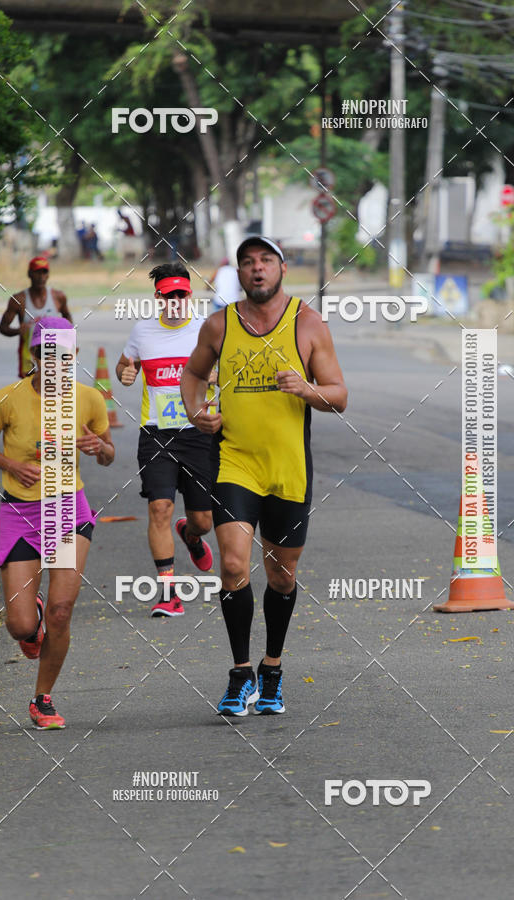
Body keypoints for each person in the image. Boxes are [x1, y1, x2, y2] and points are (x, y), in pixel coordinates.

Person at [181, 236, 347, 716]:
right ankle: (241, 675)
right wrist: (195, 411)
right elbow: (193, 375)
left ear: (282, 268)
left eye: (266, 261)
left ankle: (271, 668)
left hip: (288, 469)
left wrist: (307, 389)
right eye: (249, 262)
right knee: (233, 566)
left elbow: (339, 395)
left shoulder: (308, 324)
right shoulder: (219, 325)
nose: (257, 269)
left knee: (281, 575)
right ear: (238, 272)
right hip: (235, 462)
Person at [0, 317, 115, 729]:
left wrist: (99, 447)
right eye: (46, 354)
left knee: (61, 610)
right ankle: (30, 618)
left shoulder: (89, 398)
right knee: (21, 626)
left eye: (63, 355)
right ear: (33, 355)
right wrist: (11, 465)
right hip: (20, 513)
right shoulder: (9, 398)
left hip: (68, 512)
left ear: (74, 355)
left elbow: (108, 454)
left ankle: (42, 699)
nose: (55, 362)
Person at [115, 263, 215, 618]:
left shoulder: (207, 330)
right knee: (159, 508)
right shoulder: (143, 331)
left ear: (190, 295)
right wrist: (125, 373)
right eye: (168, 295)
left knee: (204, 520)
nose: (175, 301)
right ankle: (168, 593)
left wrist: (217, 375)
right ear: (158, 297)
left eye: (181, 294)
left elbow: (231, 372)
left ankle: (191, 534)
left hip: (199, 433)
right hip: (156, 434)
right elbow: (124, 364)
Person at [0, 256, 71, 379]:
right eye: (37, 272)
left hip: (54, 357)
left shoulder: (58, 297)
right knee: (30, 389)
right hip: (29, 358)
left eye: (44, 272)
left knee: (54, 389)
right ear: (29, 274)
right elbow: (3, 327)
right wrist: (18, 331)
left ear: (48, 275)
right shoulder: (19, 300)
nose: (41, 277)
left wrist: (66, 332)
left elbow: (67, 316)